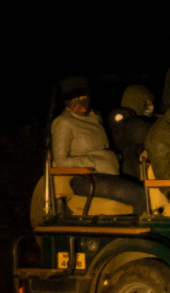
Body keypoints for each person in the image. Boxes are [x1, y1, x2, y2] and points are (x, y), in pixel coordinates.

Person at [34, 76, 121, 223]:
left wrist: (116, 157)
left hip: (107, 173)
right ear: (68, 102)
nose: (82, 105)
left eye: (85, 99)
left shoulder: (95, 117)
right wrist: (94, 163)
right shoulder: (64, 122)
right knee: (138, 195)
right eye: (76, 101)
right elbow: (61, 161)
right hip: (86, 179)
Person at [108, 84, 156, 179]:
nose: (150, 106)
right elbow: (139, 130)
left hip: (138, 174)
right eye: (147, 102)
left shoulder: (141, 120)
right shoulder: (118, 117)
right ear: (137, 101)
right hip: (127, 176)